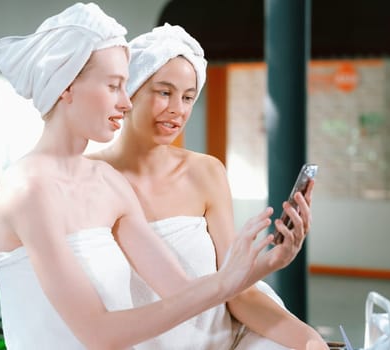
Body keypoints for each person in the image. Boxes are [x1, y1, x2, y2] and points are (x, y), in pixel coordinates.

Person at [0, 3, 309, 349]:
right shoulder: (27, 191)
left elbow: (182, 292)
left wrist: (268, 263)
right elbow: (98, 333)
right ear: (66, 87)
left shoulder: (107, 182)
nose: (126, 103)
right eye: (114, 86)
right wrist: (226, 281)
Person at [90, 24, 328, 350]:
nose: (178, 109)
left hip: (221, 341)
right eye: (164, 92)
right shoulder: (89, 178)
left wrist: (311, 340)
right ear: (129, 91)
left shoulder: (206, 172)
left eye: (188, 97)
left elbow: (237, 292)